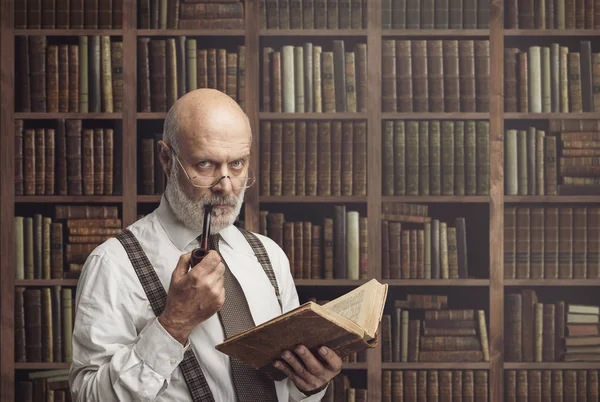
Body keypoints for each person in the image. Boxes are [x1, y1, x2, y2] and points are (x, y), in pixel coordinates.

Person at [69, 89, 343, 401]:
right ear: (165, 158)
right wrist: (174, 323)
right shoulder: (113, 264)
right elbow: (87, 396)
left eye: (237, 164)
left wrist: (310, 385)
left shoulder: (269, 255)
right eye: (205, 164)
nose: (225, 185)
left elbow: (290, 393)